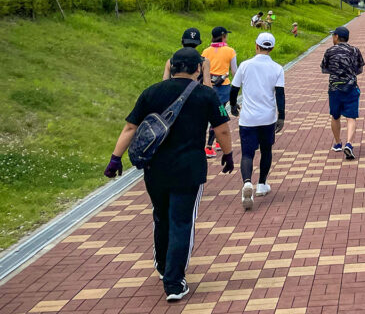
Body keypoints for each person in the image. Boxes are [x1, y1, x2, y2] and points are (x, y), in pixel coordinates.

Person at [104, 48, 234, 303]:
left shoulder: (151, 92)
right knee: (182, 222)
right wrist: (228, 155)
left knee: (161, 216)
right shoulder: (206, 94)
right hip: (189, 169)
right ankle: (174, 283)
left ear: (172, 67)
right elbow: (223, 130)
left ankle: (163, 266)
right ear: (198, 69)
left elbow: (131, 126)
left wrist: (115, 158)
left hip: (155, 169)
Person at [229, 32, 285, 211]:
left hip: (248, 118)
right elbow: (280, 94)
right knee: (266, 150)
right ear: (272, 48)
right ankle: (262, 184)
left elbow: (234, 89)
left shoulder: (245, 66)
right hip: (267, 117)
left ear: (256, 46)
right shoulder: (277, 68)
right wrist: (281, 115)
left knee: (247, 154)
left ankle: (247, 183)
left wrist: (232, 106)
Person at [320, 26, 365, 160]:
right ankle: (349, 144)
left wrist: (336, 72)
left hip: (334, 89)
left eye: (333, 35)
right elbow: (360, 68)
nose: (332, 37)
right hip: (351, 87)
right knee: (351, 117)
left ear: (337, 37)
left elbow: (324, 69)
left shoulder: (329, 51)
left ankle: (338, 143)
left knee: (335, 116)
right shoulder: (355, 50)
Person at [201, 26, 239, 158]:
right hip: (224, 89)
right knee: (219, 114)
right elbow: (235, 71)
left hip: (208, 87)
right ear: (223, 36)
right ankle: (208, 146)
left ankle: (218, 142)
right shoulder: (230, 51)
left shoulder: (205, 51)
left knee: (218, 114)